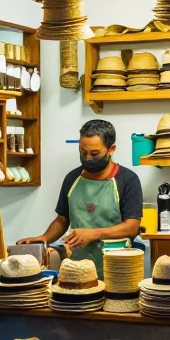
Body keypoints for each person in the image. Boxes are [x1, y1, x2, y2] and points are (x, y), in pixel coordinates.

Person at [18, 119, 143, 277]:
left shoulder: (127, 180)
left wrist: (93, 234)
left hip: (117, 268)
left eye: (95, 154)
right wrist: (44, 238)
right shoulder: (72, 178)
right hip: (78, 267)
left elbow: (132, 227)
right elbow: (62, 219)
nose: (88, 158)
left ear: (111, 150)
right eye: (83, 152)